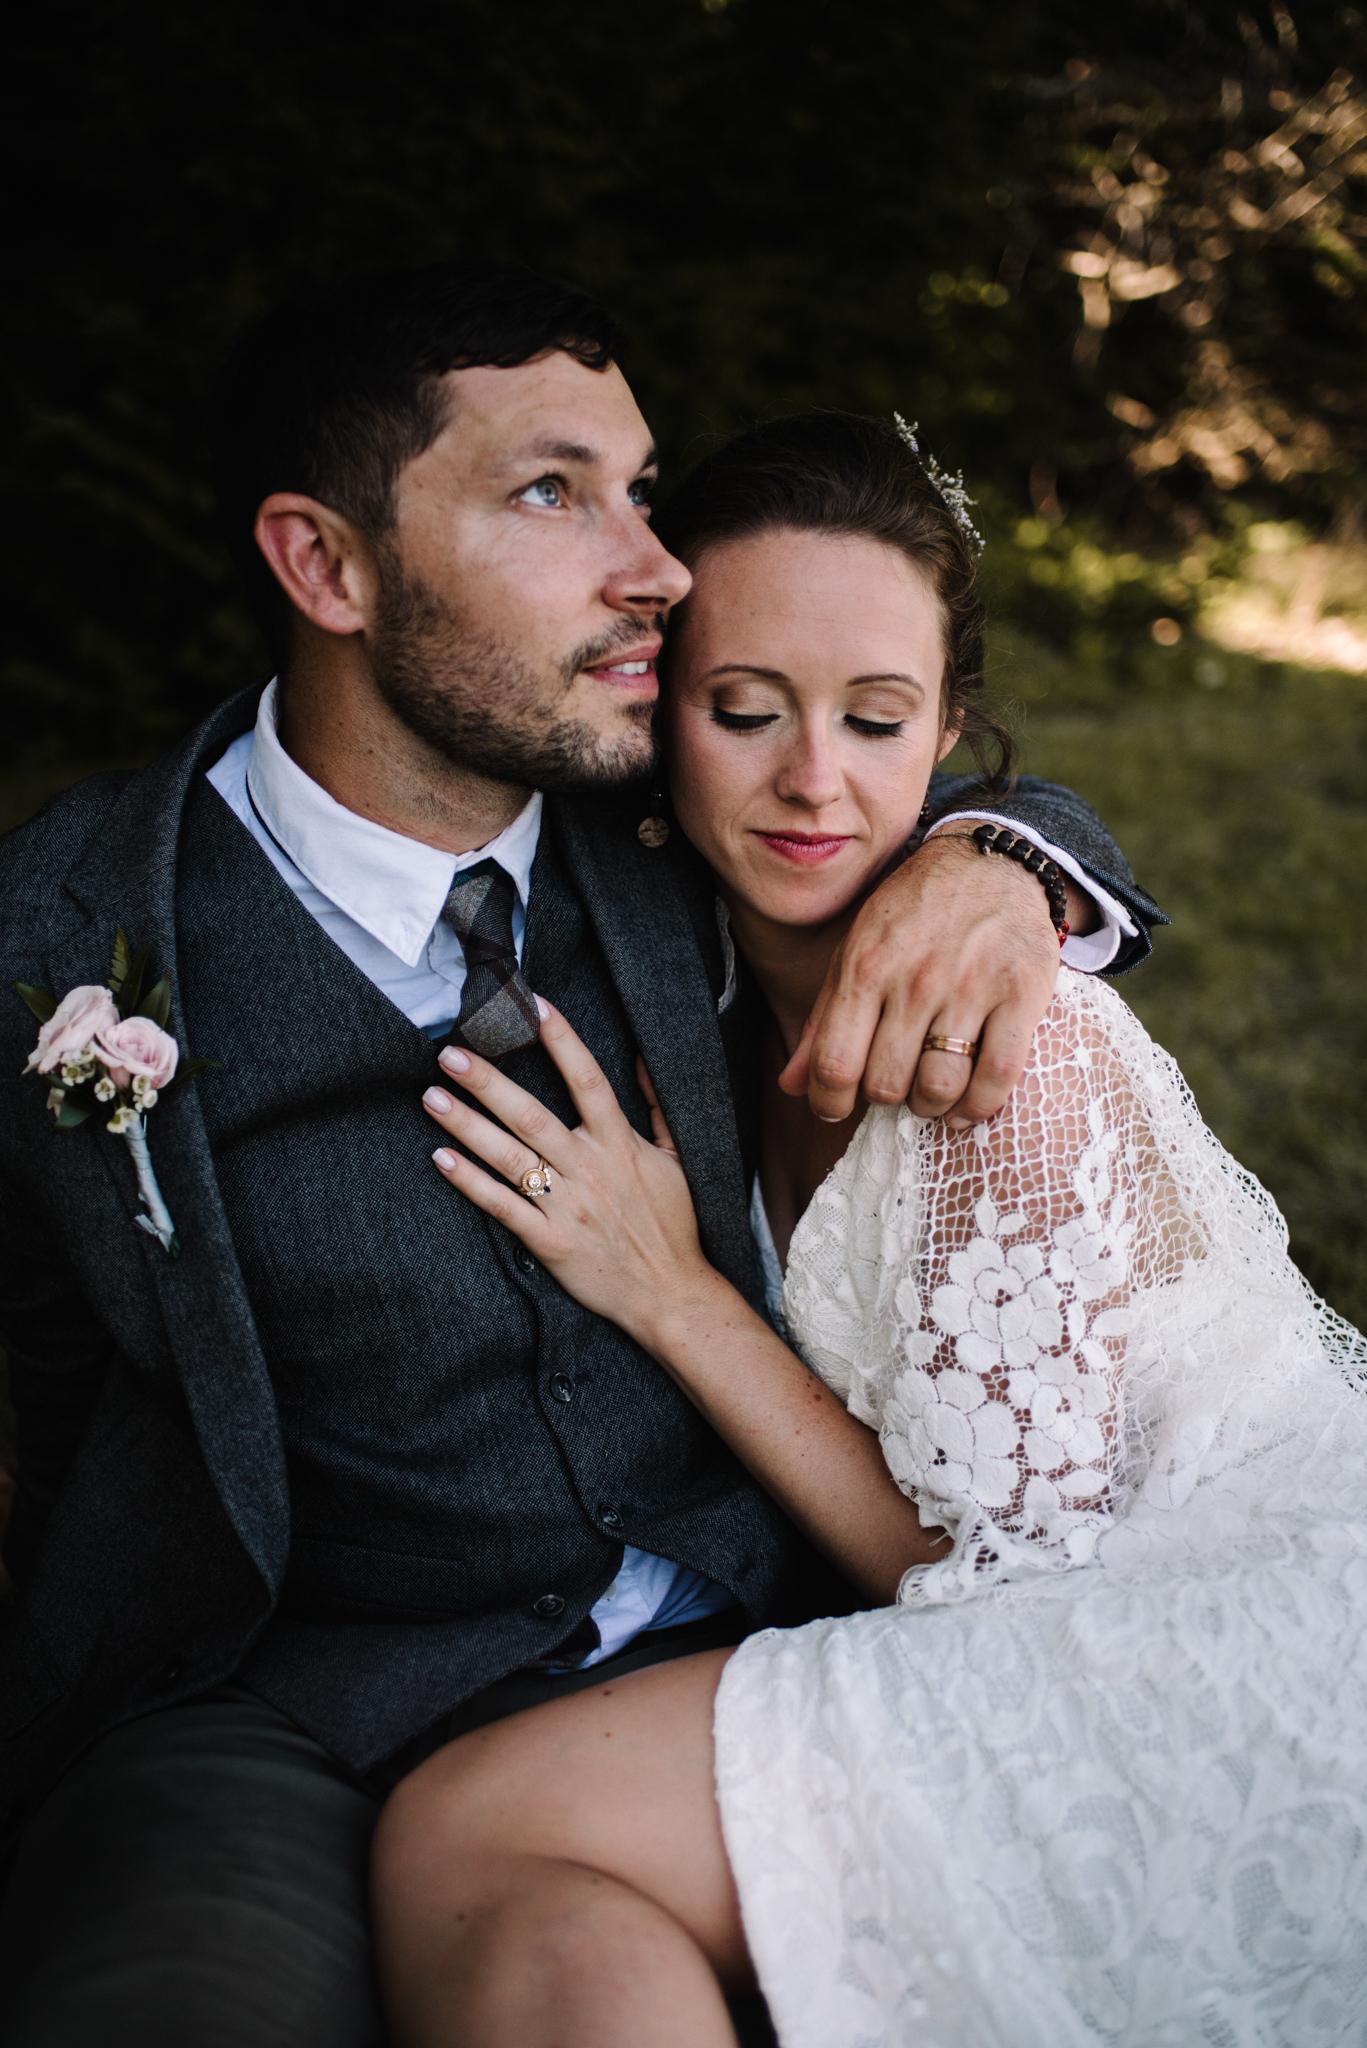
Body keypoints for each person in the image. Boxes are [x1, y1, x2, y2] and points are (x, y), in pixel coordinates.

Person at [0, 267, 1159, 2047]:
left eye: (641, 487)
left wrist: (1001, 859)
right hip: (280, 1704)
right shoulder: (60, 936)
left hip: (742, 1643)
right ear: (327, 567)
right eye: (556, 495)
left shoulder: (670, 815)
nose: (659, 567)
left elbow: (886, 754)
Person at [371, 411, 1367, 2048]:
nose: (812, 781)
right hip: (1043, 1610)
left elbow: (1005, 1601)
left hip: (1198, 1645)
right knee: (496, 1852)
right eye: (742, 710)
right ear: (660, 708)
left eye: (877, 720)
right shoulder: (670, 948)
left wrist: (677, 1297)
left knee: (485, 1827)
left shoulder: (1004, 1049)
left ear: (951, 736)